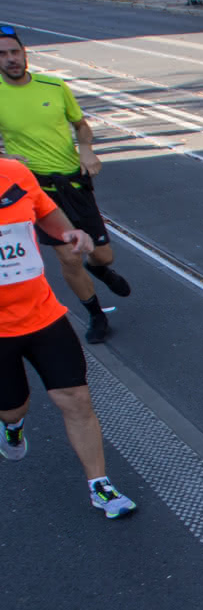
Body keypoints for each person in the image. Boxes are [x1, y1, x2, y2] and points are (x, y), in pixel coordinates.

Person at [0, 157, 138, 519]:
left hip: (42, 314)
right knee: (14, 407)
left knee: (76, 398)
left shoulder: (13, 173)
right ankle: (12, 427)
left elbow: (45, 209)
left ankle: (100, 486)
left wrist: (69, 233)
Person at [0, 29, 132, 345]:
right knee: (69, 257)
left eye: (13, 52)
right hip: (37, 188)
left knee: (103, 255)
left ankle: (99, 269)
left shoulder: (55, 86)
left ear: (24, 52)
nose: (10, 60)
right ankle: (96, 315)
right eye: (2, 55)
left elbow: (81, 125)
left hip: (74, 181)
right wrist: (4, 157)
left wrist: (86, 149)